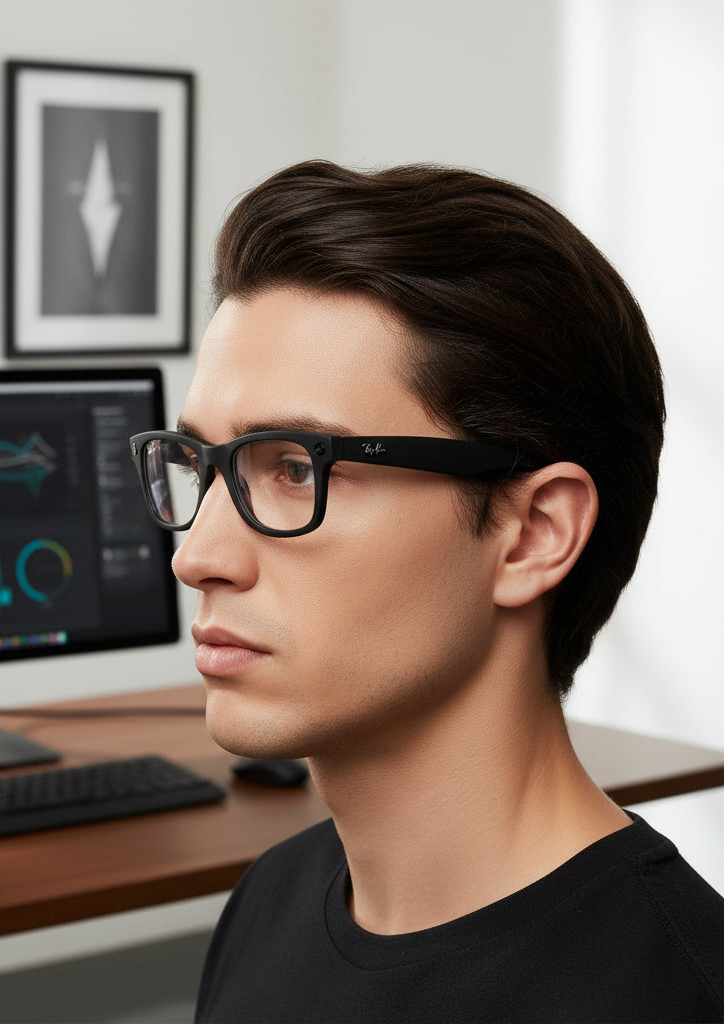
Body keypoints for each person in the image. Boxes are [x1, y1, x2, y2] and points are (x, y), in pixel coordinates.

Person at [129, 160, 724, 1021]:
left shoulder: (677, 993)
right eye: (200, 466)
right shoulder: (271, 898)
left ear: (534, 534)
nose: (198, 557)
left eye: (295, 468)